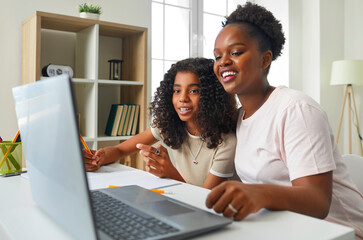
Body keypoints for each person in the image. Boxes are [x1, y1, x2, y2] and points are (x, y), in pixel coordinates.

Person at [205, 2, 363, 239]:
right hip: (284, 227)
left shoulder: (297, 109)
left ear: (265, 59)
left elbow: (317, 202)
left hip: (339, 232)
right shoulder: (240, 117)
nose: (223, 62)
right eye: (217, 56)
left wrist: (260, 194)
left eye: (236, 52)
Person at [84, 57, 238, 189]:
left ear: (212, 96)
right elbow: (121, 150)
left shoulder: (226, 143)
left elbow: (206, 201)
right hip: (183, 202)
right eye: (177, 91)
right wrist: (100, 158)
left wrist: (169, 172)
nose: (182, 98)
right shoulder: (168, 125)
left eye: (193, 91)